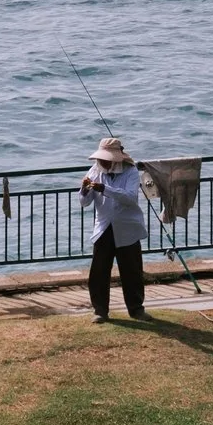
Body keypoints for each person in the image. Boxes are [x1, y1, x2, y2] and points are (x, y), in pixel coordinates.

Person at [79, 136, 149, 321]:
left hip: (127, 227)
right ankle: (100, 310)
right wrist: (84, 190)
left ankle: (136, 309)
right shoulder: (95, 170)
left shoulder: (130, 171)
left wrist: (105, 189)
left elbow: (130, 197)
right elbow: (84, 202)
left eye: (105, 159)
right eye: (100, 159)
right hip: (104, 227)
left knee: (131, 270)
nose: (102, 162)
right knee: (99, 271)